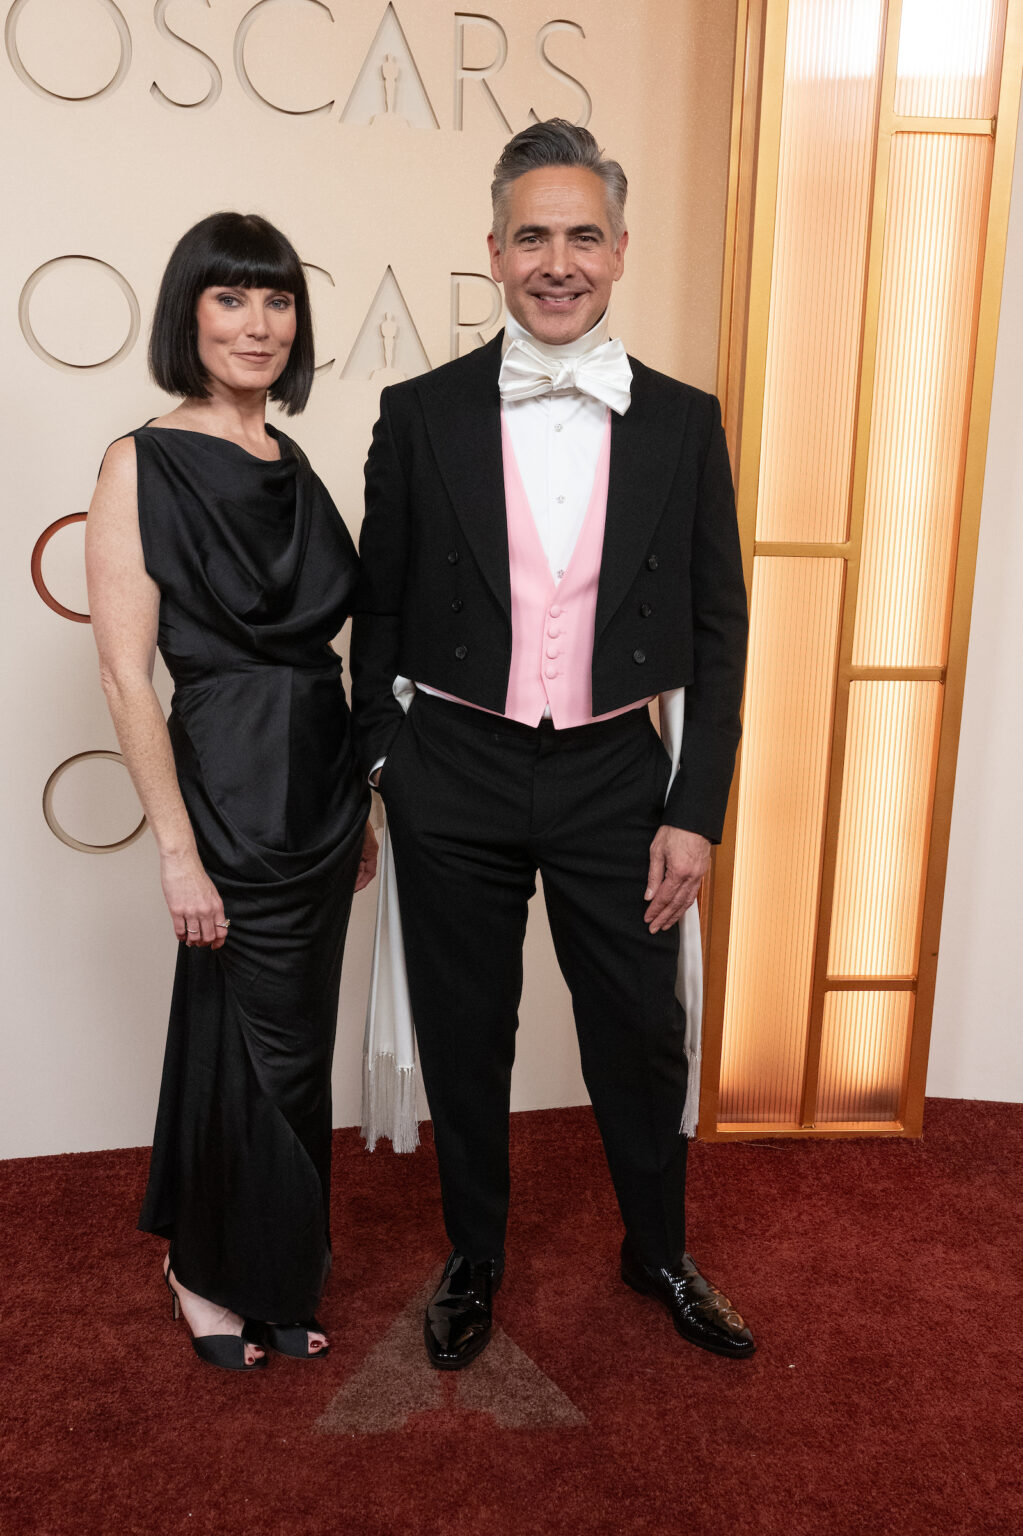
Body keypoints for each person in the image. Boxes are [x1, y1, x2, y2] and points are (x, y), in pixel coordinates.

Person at [351, 120, 754, 1369]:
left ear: (621, 250)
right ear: (494, 251)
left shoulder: (686, 422)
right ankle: (475, 1257)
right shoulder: (418, 415)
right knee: (468, 1031)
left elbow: (719, 627)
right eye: (534, 235)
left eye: (584, 235)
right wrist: (385, 767)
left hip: (614, 778)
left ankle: (659, 1250)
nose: (558, 259)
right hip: (453, 773)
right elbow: (378, 607)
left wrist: (695, 807)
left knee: (639, 1029)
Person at [86, 213, 376, 1372]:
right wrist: (174, 848)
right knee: (239, 1032)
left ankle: (277, 1267)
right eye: (231, 299)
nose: (259, 325)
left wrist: (368, 797)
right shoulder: (140, 461)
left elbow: (342, 655)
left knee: (297, 1041)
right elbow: (123, 669)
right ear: (188, 316)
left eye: (278, 301)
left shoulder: (292, 460)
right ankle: (206, 1271)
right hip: (226, 789)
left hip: (322, 790)